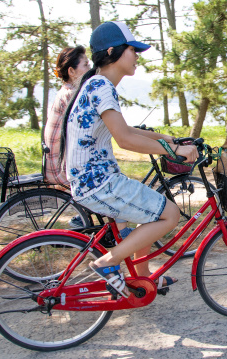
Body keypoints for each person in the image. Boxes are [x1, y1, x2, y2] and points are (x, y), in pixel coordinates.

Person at [60, 21, 198, 298]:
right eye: (132, 50)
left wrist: (169, 140)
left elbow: (129, 130)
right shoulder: (101, 86)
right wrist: (173, 153)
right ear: (113, 52)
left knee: (147, 217)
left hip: (92, 179)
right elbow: (124, 139)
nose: (137, 55)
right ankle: (107, 264)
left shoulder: (96, 84)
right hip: (98, 182)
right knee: (169, 213)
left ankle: (142, 279)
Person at [44, 46, 91, 187]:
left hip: (60, 163)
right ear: (71, 71)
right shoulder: (71, 95)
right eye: (86, 64)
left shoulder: (67, 91)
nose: (90, 68)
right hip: (61, 169)